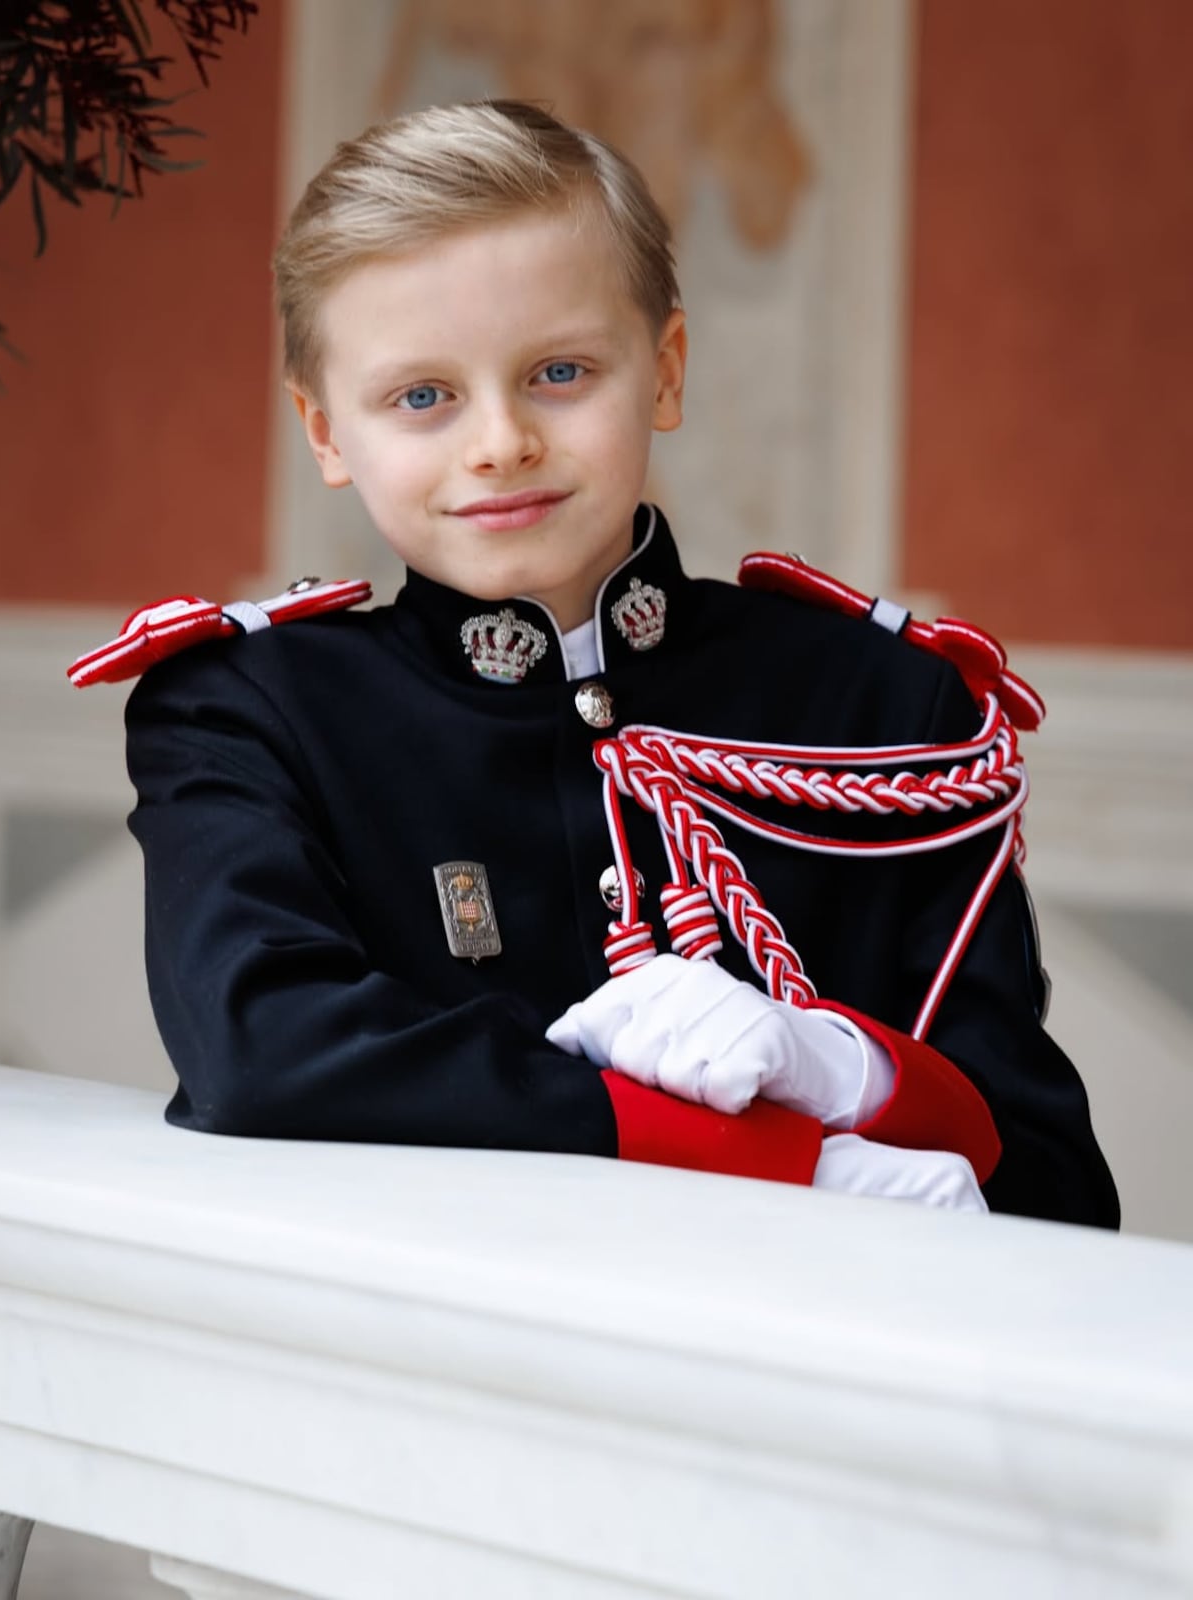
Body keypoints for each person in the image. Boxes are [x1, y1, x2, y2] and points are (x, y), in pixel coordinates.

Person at [83, 99, 1117, 1224]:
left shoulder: (885, 703)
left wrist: (848, 1070)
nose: (500, 442)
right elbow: (259, 1050)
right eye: (422, 396)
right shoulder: (249, 712)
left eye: (561, 372)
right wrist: (750, 1150)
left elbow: (1058, 1188)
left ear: (664, 372)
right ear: (327, 431)